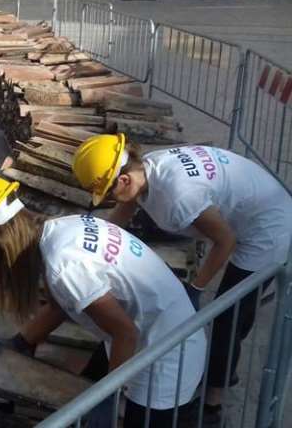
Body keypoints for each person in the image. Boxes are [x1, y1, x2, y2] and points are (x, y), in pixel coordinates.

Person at [0, 175, 206, 427]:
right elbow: (63, 304)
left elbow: (125, 332)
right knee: (81, 399)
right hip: (159, 326)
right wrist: (21, 342)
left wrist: (107, 397)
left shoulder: (64, 264)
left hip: (166, 352)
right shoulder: (61, 229)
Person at [72, 134, 292, 424]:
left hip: (266, 225)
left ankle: (213, 402)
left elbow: (225, 241)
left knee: (230, 314)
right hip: (249, 205)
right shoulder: (144, 169)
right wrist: (96, 239)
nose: (109, 199)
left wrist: (196, 288)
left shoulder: (177, 194)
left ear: (123, 180)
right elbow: (126, 206)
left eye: (107, 192)